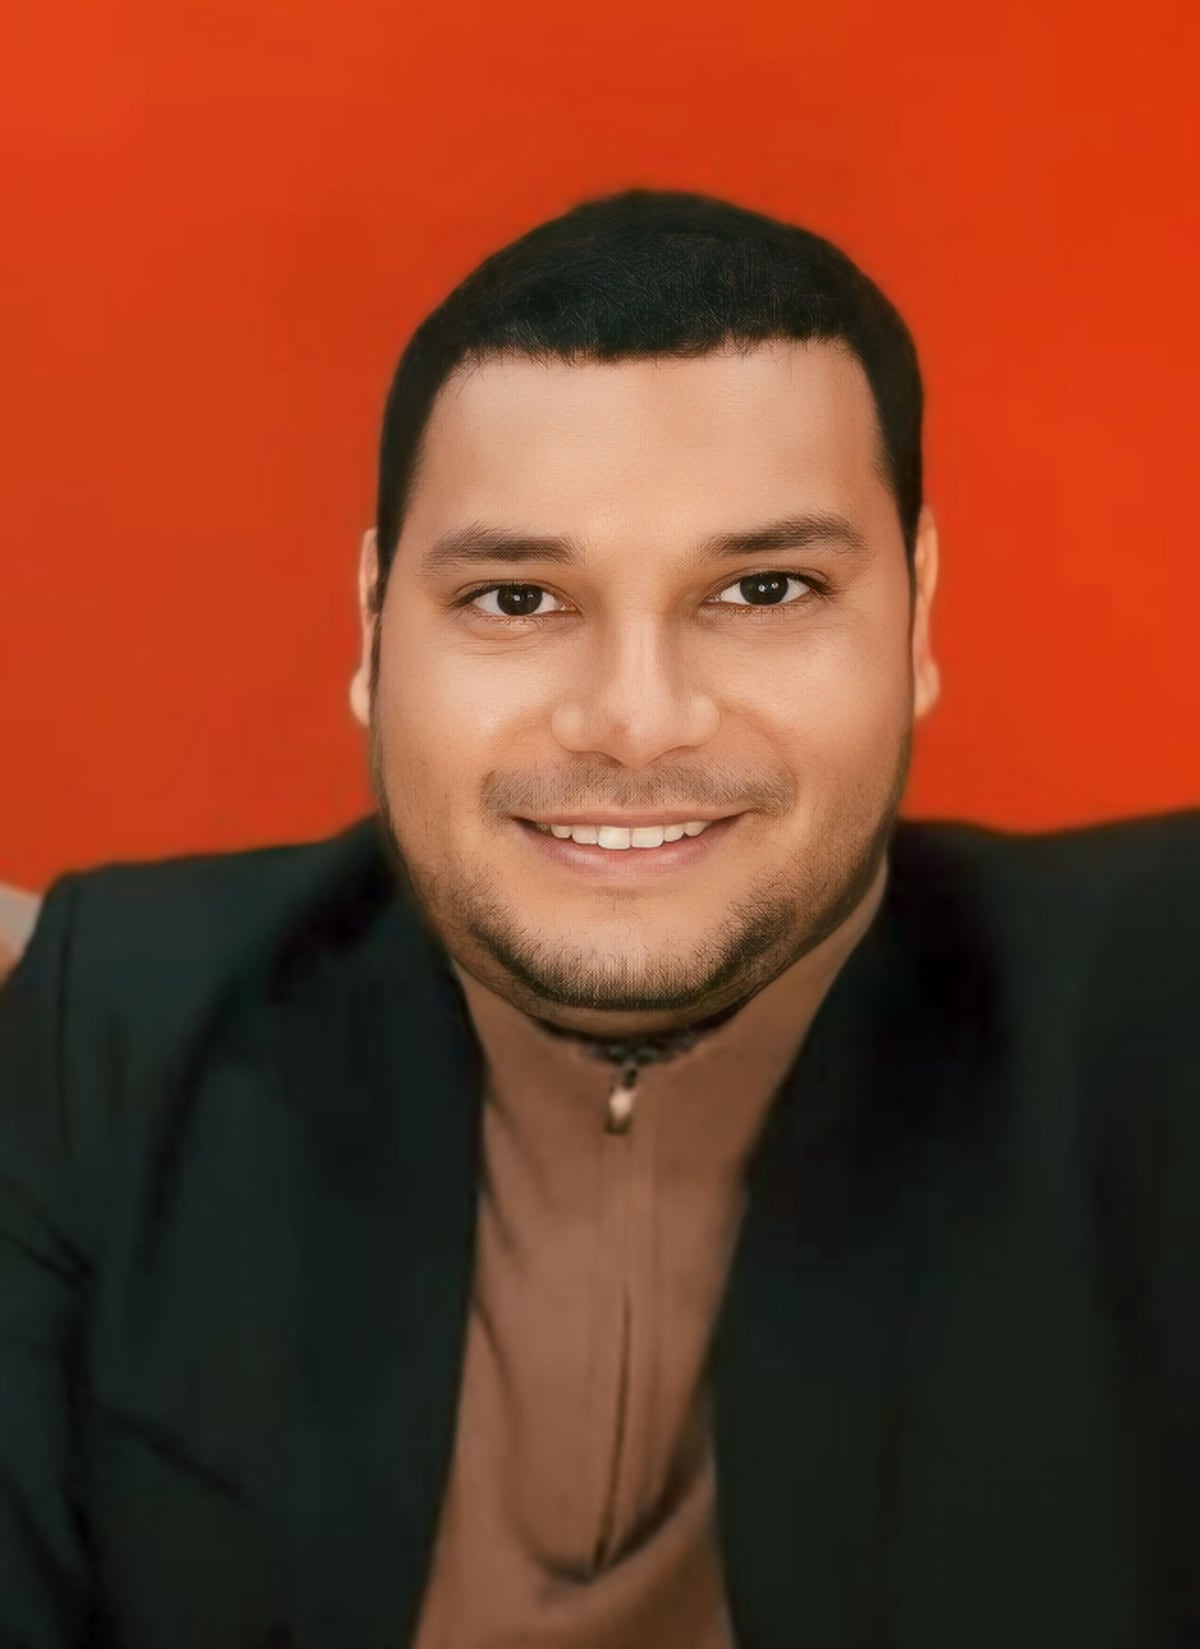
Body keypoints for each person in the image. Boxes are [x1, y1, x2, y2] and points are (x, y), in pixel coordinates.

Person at [0, 187, 1196, 1649]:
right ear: (372, 628)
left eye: (765, 588)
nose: (635, 718)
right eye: (516, 600)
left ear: (919, 612)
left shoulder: (1153, 1013)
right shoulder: (108, 1032)